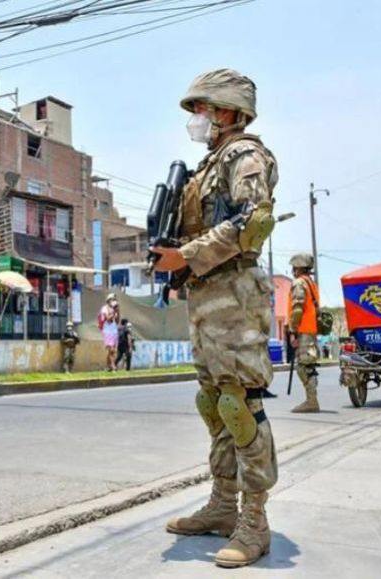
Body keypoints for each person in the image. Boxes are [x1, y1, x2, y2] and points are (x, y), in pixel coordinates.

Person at [153, 69, 279, 568]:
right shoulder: (208, 164)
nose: (197, 119)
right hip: (205, 296)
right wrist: (177, 266)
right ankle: (223, 505)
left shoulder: (245, 155)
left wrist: (185, 256)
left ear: (228, 111)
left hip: (236, 296)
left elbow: (253, 222)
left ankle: (255, 521)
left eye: (203, 109)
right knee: (213, 402)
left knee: (239, 403)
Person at [288, 253, 321, 413]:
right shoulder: (311, 283)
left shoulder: (299, 283)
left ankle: (311, 401)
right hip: (311, 330)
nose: (293, 270)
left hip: (303, 331)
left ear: (298, 267)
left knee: (303, 367)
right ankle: (312, 400)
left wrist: (293, 331)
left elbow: (297, 309)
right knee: (309, 366)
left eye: (294, 267)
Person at [99, 293, 120, 371]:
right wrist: (114, 311)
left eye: (115, 299)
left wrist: (118, 311)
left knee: (113, 350)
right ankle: (113, 366)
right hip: (108, 331)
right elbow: (108, 319)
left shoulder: (114, 309)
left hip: (114, 330)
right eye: (112, 299)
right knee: (111, 349)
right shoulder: (104, 308)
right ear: (108, 300)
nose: (114, 301)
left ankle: (108, 367)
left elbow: (117, 321)